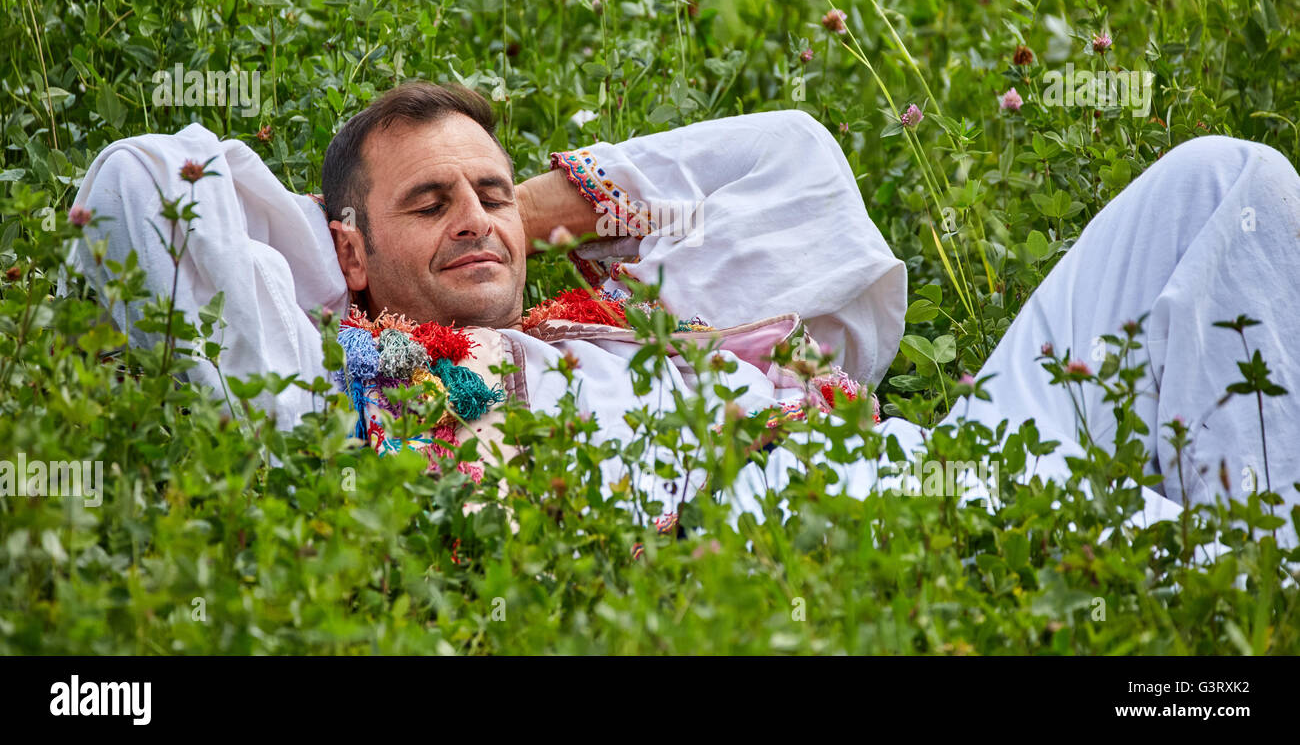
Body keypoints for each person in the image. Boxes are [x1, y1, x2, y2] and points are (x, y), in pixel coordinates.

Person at [67, 81, 1300, 546]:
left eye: (488, 190)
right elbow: (143, 182)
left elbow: (797, 167)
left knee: (1231, 183)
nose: (473, 215)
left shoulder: (607, 316)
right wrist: (357, 271)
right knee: (1231, 562)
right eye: (428, 200)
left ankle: (1232, 563)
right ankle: (1234, 580)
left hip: (945, 456)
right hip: (793, 514)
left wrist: (531, 211)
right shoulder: (342, 383)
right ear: (344, 245)